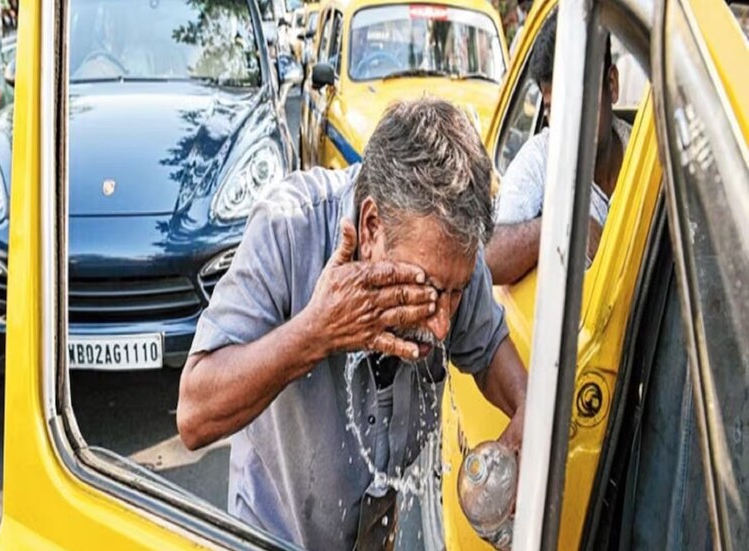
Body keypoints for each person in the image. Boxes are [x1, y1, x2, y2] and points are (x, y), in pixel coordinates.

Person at [177, 98, 528, 550]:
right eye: (425, 291)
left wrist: (525, 414)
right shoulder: (288, 230)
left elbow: (494, 357)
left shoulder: (449, 259)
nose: (443, 327)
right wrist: (315, 333)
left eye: (455, 294)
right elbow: (193, 416)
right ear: (370, 227)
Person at [486, 13, 631, 285]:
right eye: (554, 109)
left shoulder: (649, 157)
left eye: (578, 100)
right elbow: (489, 257)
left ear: (611, 85)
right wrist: (563, 227)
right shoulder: (541, 159)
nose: (568, 124)